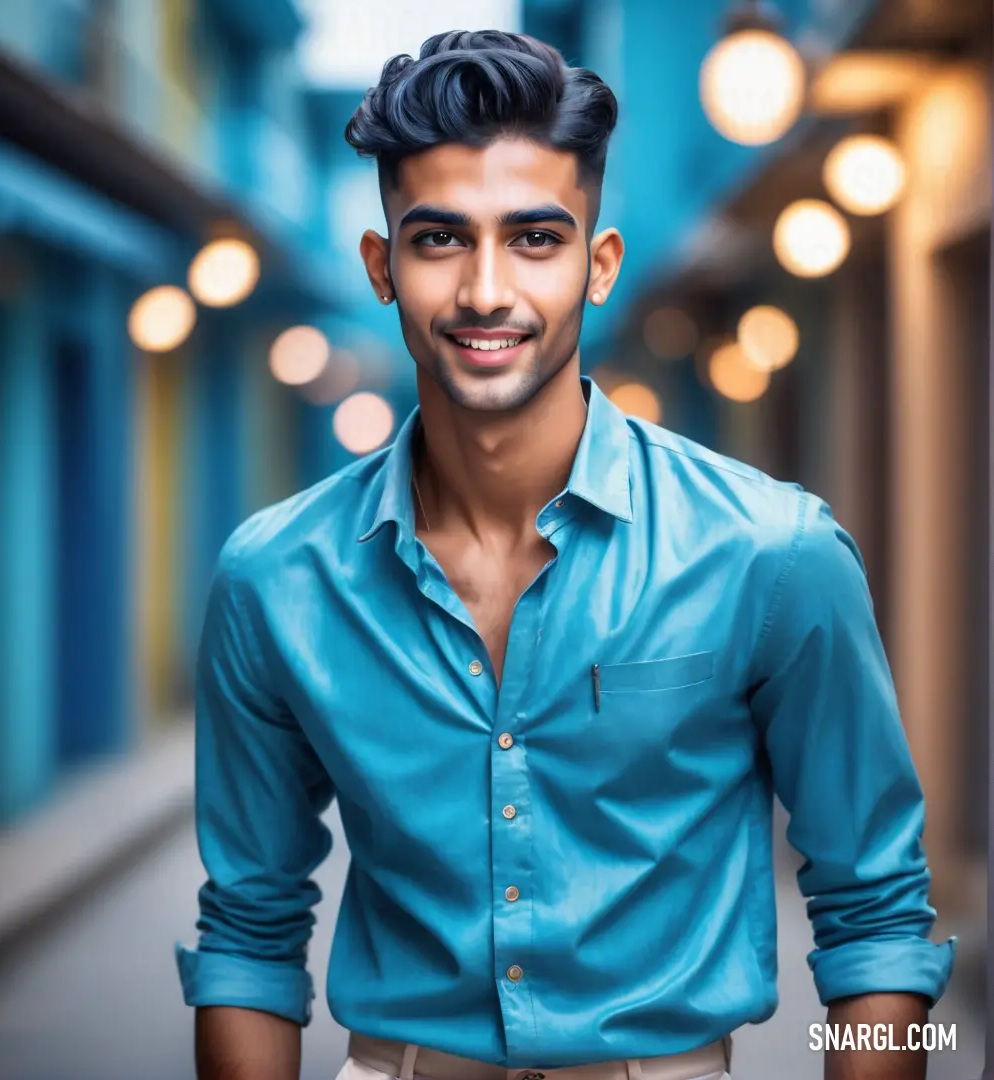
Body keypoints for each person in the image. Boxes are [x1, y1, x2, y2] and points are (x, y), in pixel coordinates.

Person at [175, 29, 955, 1080]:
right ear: (382, 265)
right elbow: (248, 933)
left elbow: (873, 907)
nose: (487, 291)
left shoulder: (771, 554)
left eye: (535, 239)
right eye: (440, 239)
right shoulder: (275, 581)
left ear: (598, 266)